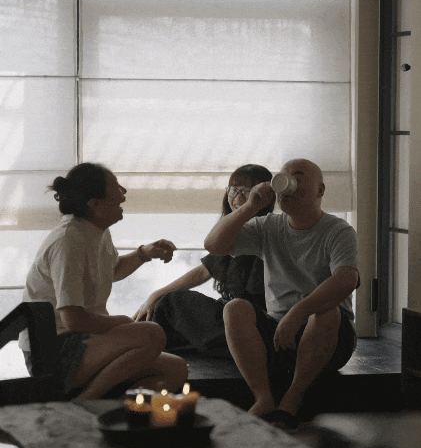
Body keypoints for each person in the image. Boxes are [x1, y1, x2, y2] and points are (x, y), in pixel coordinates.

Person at [204, 158, 359, 430]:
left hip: (330, 337)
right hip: (279, 336)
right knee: (234, 307)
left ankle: (291, 400)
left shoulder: (338, 231)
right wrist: (250, 206)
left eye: (298, 175)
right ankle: (263, 398)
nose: (288, 181)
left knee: (326, 312)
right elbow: (214, 246)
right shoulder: (268, 226)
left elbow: (346, 280)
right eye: (284, 176)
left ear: (320, 190)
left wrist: (298, 313)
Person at [19, 162, 188, 400]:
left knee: (176, 369)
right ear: (95, 204)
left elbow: (112, 270)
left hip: (83, 341)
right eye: (115, 186)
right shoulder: (68, 241)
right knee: (152, 334)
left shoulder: (96, 230)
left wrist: (144, 253)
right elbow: (74, 320)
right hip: (52, 353)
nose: (124, 193)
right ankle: (85, 402)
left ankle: (108, 407)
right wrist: (122, 322)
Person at [134, 165, 274, 356]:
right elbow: (203, 271)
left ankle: (236, 346)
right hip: (226, 315)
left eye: (246, 192)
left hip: (254, 320)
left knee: (171, 305)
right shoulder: (229, 231)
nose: (238, 198)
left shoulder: (271, 229)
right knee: (162, 309)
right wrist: (155, 294)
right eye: (233, 190)